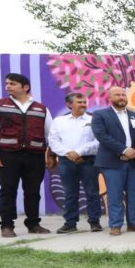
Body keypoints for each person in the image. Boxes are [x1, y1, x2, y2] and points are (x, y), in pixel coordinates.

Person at [0, 72, 53, 237]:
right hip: (7, 155)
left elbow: (50, 135)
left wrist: (49, 155)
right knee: (7, 190)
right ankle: (7, 225)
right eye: (7, 83)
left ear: (25, 87)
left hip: (35, 156)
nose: (8, 86)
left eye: (12, 84)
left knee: (33, 191)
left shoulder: (41, 108)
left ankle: (33, 224)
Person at [91, 86, 135, 236]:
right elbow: (101, 136)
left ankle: (134, 223)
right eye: (117, 95)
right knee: (114, 194)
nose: (121, 97)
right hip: (112, 162)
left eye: (123, 94)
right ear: (109, 98)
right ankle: (115, 225)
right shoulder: (100, 115)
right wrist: (123, 150)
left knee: (134, 194)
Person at [47, 92, 101, 234]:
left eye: (84, 102)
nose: (83, 104)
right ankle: (70, 223)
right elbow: (53, 141)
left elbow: (98, 141)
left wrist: (80, 152)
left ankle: (95, 222)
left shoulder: (93, 119)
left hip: (88, 161)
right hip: (66, 161)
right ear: (69, 105)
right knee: (70, 193)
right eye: (79, 102)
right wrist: (68, 153)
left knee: (92, 193)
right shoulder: (59, 121)